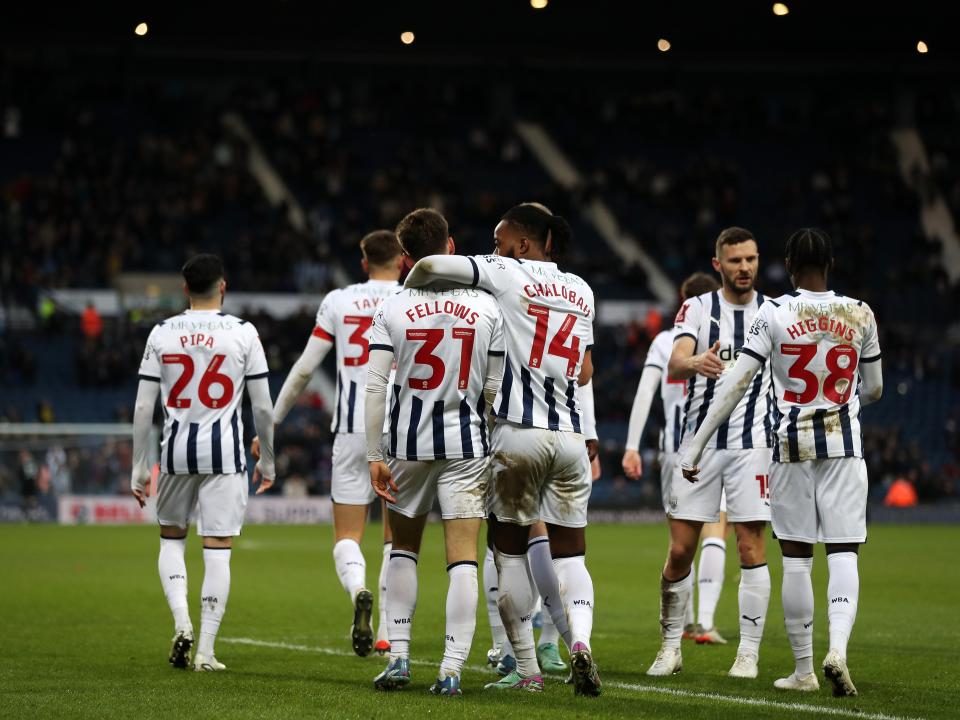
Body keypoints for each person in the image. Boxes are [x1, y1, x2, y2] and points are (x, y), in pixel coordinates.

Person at [404, 202, 601, 696]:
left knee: (507, 553)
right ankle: (580, 643)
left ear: (521, 243)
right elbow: (586, 371)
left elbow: (429, 265)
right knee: (572, 555)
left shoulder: (506, 271)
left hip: (519, 437)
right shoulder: (581, 289)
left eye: (498, 241)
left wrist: (405, 300)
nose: (494, 249)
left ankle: (529, 671)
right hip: (572, 439)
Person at [679, 228, 882, 697]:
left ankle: (805, 670)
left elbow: (736, 384)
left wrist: (695, 447)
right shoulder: (860, 313)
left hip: (790, 448)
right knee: (845, 551)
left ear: (787, 266)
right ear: (830, 263)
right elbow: (873, 389)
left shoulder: (773, 312)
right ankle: (840, 651)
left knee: (796, 560)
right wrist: (843, 408)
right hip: (844, 446)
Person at [365, 208, 504, 696]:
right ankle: (450, 669)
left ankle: (399, 659)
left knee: (403, 548)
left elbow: (376, 386)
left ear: (405, 258)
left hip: (408, 444)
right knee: (463, 558)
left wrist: (373, 453)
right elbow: (492, 389)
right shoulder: (488, 307)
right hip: (467, 444)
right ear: (451, 247)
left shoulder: (392, 307)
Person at [254, 230, 403, 657]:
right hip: (400, 429)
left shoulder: (338, 301)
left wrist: (272, 424)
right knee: (397, 539)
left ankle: (358, 589)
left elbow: (303, 369)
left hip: (353, 429)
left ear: (363, 263)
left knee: (347, 536)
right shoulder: (412, 296)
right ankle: (389, 633)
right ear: (402, 261)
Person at [130, 253, 276, 672]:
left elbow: (143, 408)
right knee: (218, 550)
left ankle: (181, 624)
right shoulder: (243, 333)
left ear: (184, 290)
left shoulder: (162, 332)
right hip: (225, 456)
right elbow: (262, 408)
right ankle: (206, 651)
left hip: (175, 452)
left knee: (171, 540)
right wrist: (268, 459)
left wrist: (139, 467)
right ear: (223, 286)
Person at [647, 227, 773, 679]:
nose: (745, 268)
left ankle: (748, 654)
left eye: (751, 259)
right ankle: (669, 648)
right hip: (696, 446)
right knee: (681, 549)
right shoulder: (698, 307)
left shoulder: (772, 312)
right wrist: (696, 361)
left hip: (752, 447)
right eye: (735, 261)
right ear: (718, 265)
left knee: (750, 545)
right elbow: (676, 358)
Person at [622, 271, 731, 642]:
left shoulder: (666, 341)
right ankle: (705, 621)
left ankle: (681, 623)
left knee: (682, 540)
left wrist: (632, 446)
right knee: (716, 528)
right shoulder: (725, 338)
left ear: (683, 302)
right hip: (718, 443)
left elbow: (644, 392)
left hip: (674, 449)